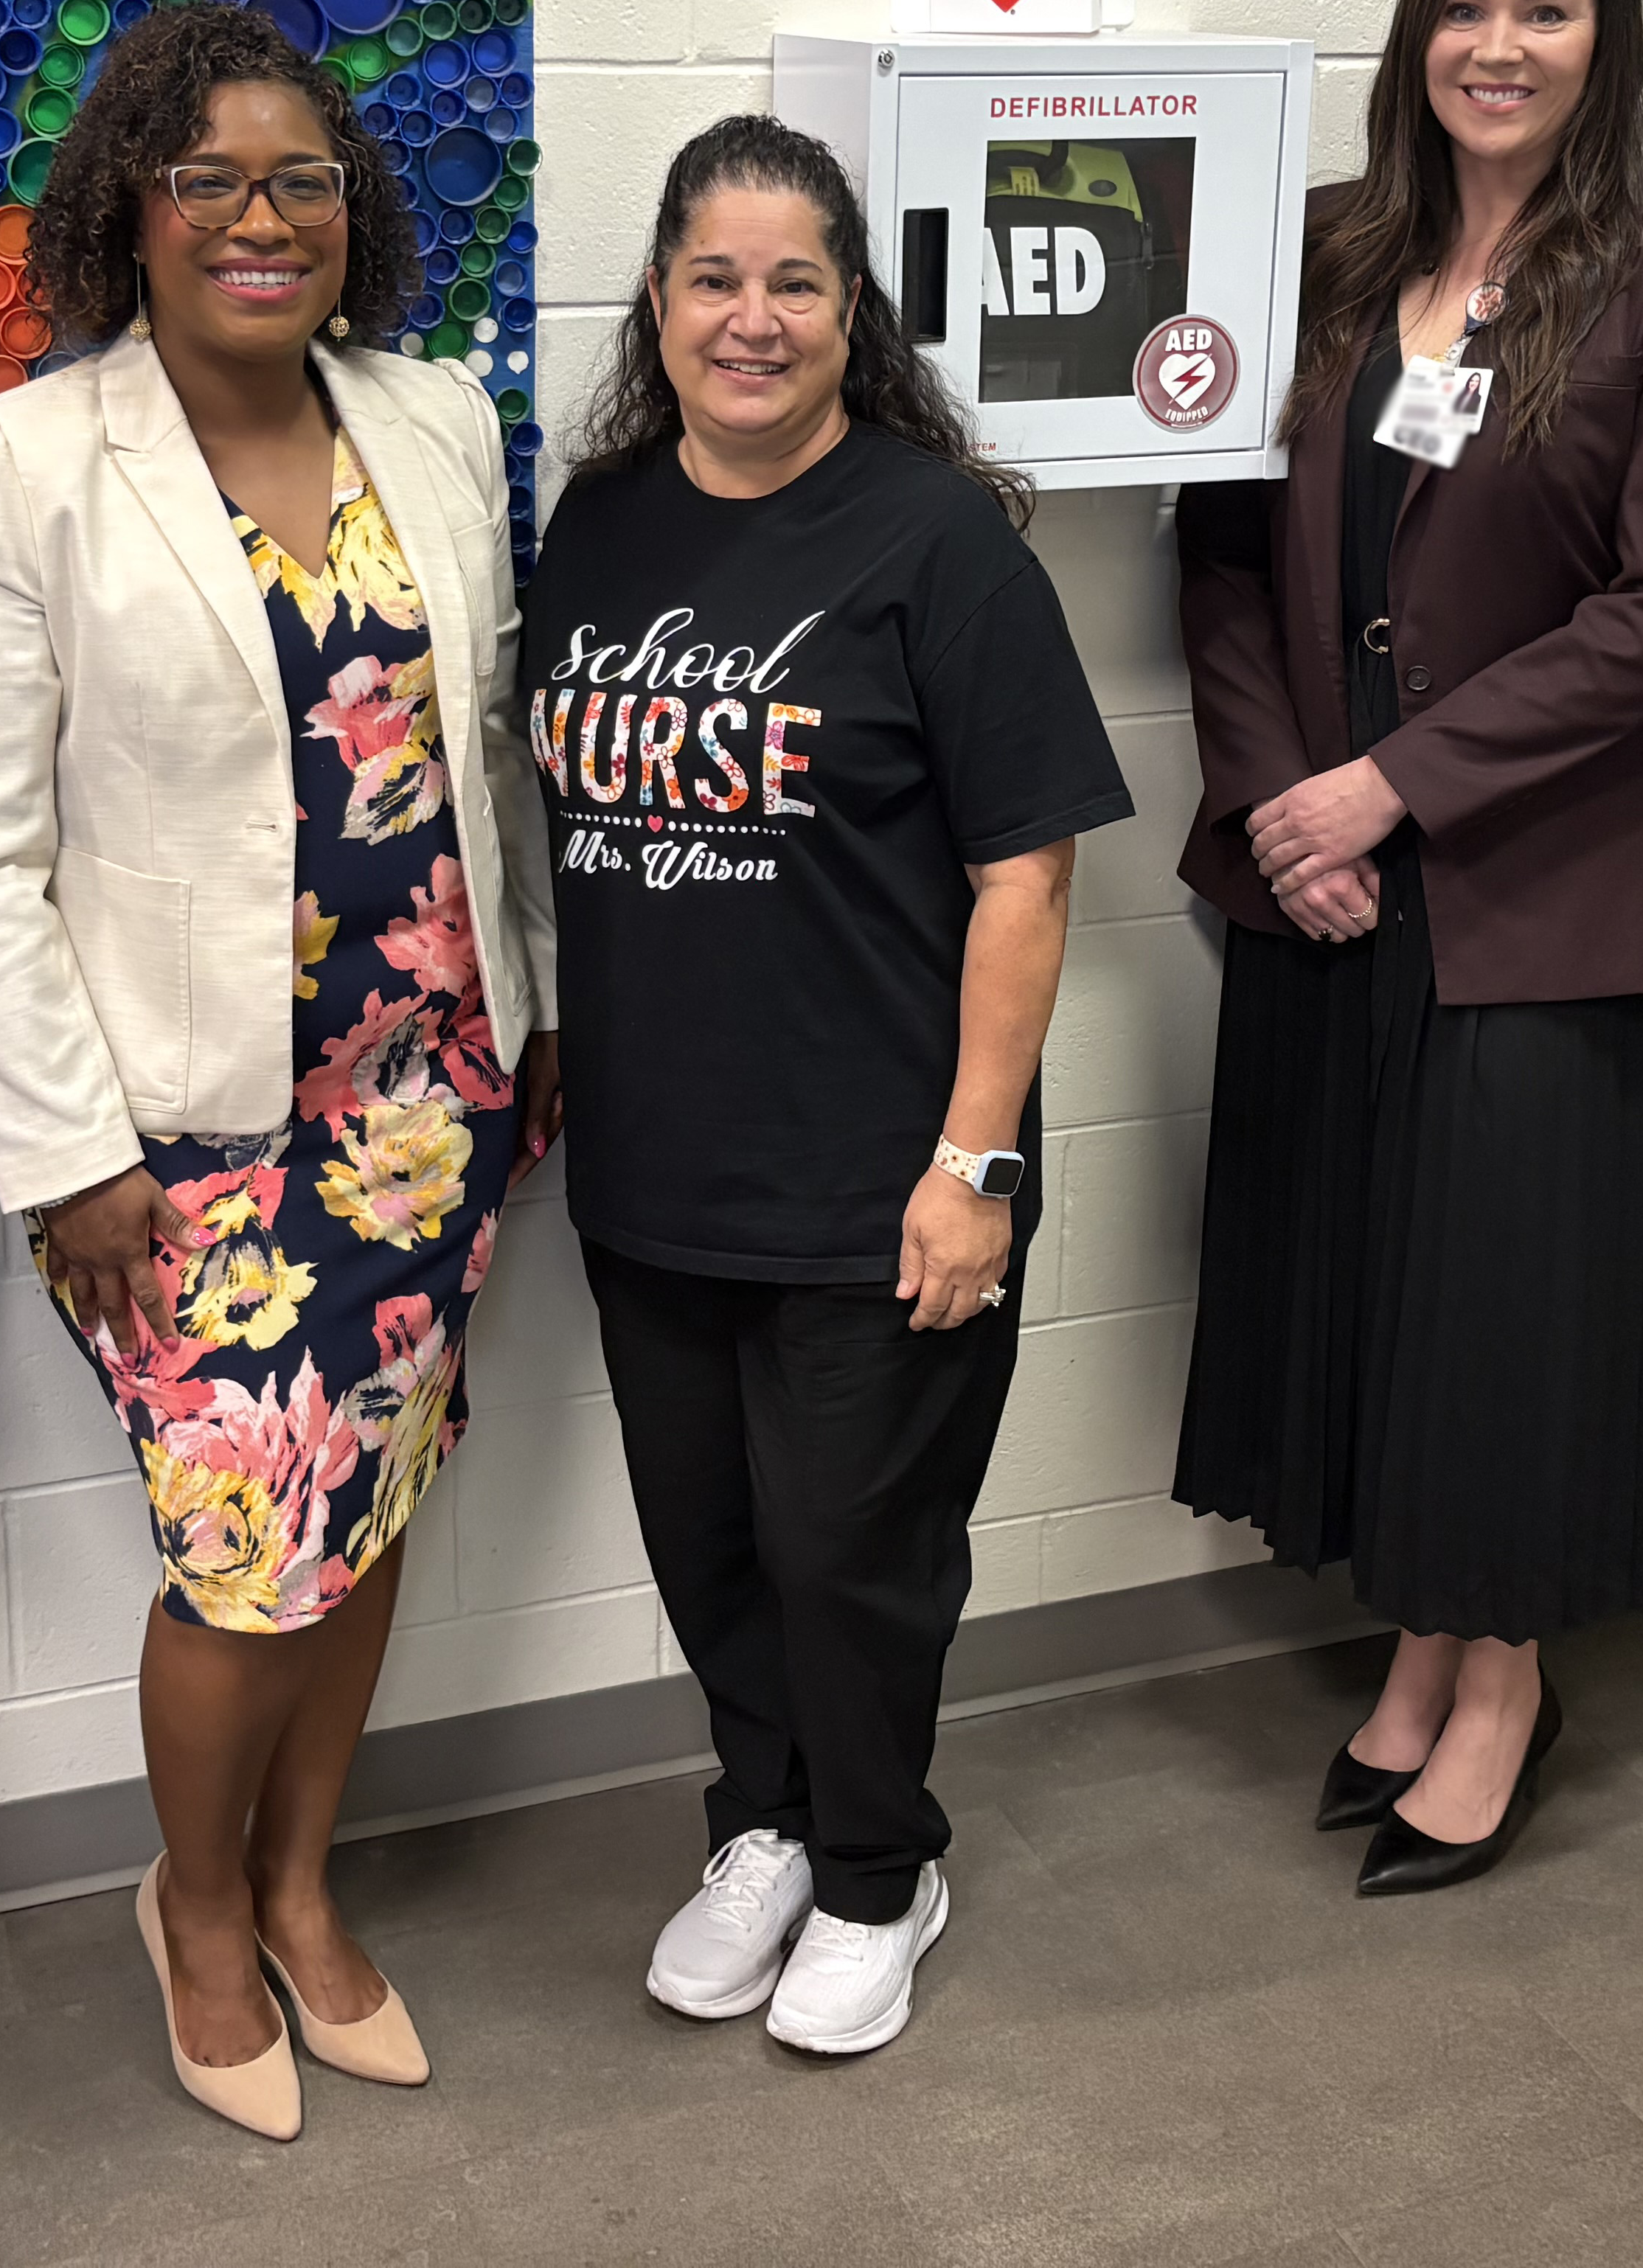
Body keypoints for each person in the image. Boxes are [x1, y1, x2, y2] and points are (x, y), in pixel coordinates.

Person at [0, 2, 552, 2143]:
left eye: (301, 181)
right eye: (212, 184)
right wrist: (65, 1155)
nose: (262, 219)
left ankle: (299, 1876)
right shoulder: (19, 461)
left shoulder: (437, 420)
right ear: (132, 211)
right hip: (184, 1131)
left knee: (364, 1508)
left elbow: (489, 759)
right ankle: (190, 1906)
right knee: (252, 1531)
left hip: (433, 1093)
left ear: (348, 214)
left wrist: (540, 1028)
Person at [1173, 0, 1643, 1894]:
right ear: (1415, 32)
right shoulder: (1328, 252)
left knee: (1513, 1312)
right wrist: (1288, 803)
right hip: (1331, 882)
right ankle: (1423, 1634)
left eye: (1544, 10)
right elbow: (1227, 546)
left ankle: (1502, 1679)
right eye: (1465, 5)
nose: (1497, 47)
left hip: (1553, 891)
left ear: (1606, 45)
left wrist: (1396, 789)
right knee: (1386, 1297)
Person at [524, 113, 1133, 2058]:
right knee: (710, 1541)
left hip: (880, 1170)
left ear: (850, 308)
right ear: (661, 294)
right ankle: (767, 1821)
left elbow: (1028, 870)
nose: (754, 316)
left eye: (797, 280)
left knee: (854, 1555)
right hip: (652, 1166)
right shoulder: (602, 522)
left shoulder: (938, 538)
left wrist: (979, 1156)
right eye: (717, 275)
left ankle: (880, 1866)